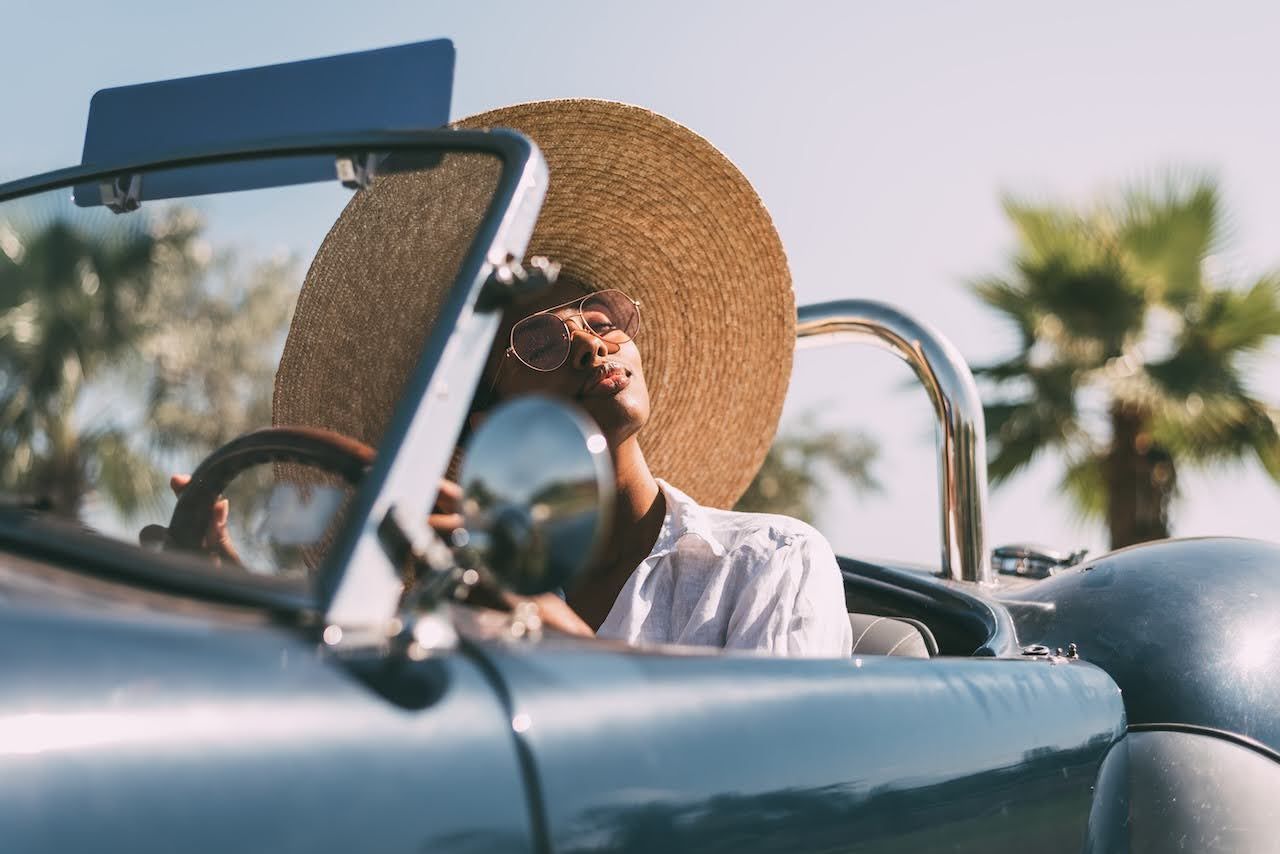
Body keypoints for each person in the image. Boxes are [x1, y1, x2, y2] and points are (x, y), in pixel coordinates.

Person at [270, 100, 853, 656]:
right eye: (540, 342)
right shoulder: (460, 610)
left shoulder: (769, 562)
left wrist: (565, 645)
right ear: (483, 419)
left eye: (600, 319)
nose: (592, 344)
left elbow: (771, 761)